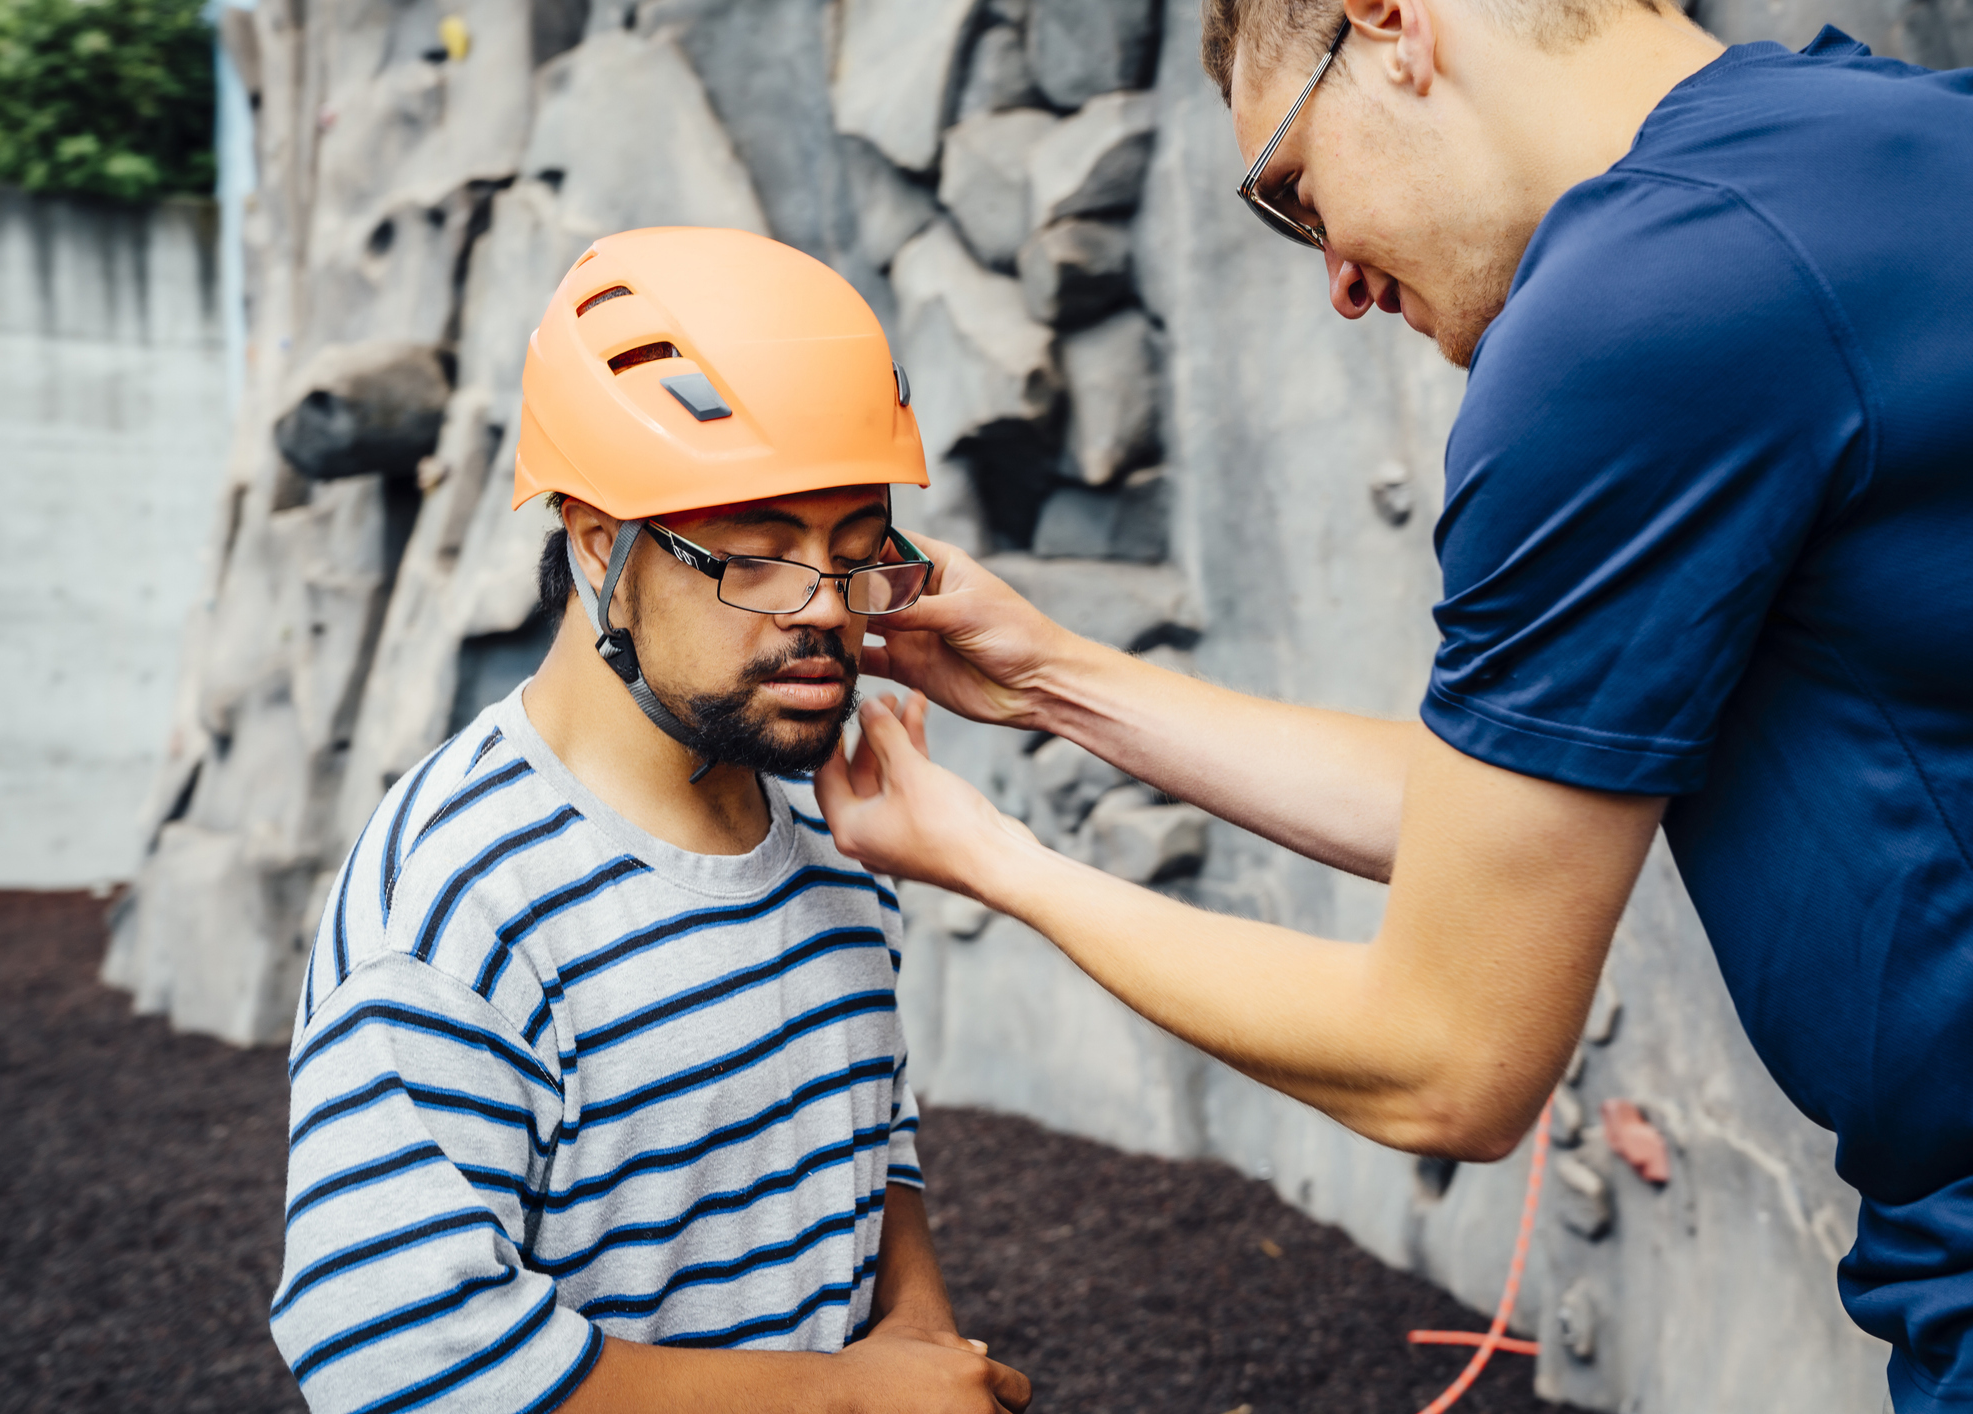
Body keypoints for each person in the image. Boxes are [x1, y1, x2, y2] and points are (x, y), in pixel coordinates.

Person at [813, 1, 1973, 1410]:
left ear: (1390, 23)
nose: (1340, 283)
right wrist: (1059, 679)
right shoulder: (1897, 138)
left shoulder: (1639, 307)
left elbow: (1447, 1061)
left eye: (1296, 192)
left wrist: (991, 858)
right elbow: (1494, 812)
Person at [270, 226, 1031, 1414]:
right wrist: (848, 1399)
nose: (825, 611)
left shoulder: (833, 829)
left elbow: (869, 1133)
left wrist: (920, 1342)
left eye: (853, 549)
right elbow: (400, 1361)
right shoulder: (453, 903)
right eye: (756, 553)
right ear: (596, 548)